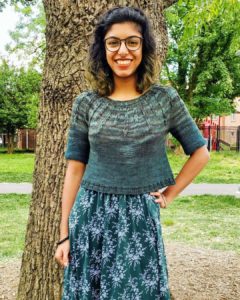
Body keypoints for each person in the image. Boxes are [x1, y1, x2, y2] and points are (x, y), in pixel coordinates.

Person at [54, 6, 210, 300]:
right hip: (90, 217)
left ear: (143, 47)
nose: (122, 50)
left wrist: (169, 194)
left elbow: (201, 153)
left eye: (132, 42)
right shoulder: (86, 104)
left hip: (139, 221)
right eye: (113, 42)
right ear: (103, 48)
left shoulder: (165, 100)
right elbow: (74, 169)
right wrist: (64, 234)